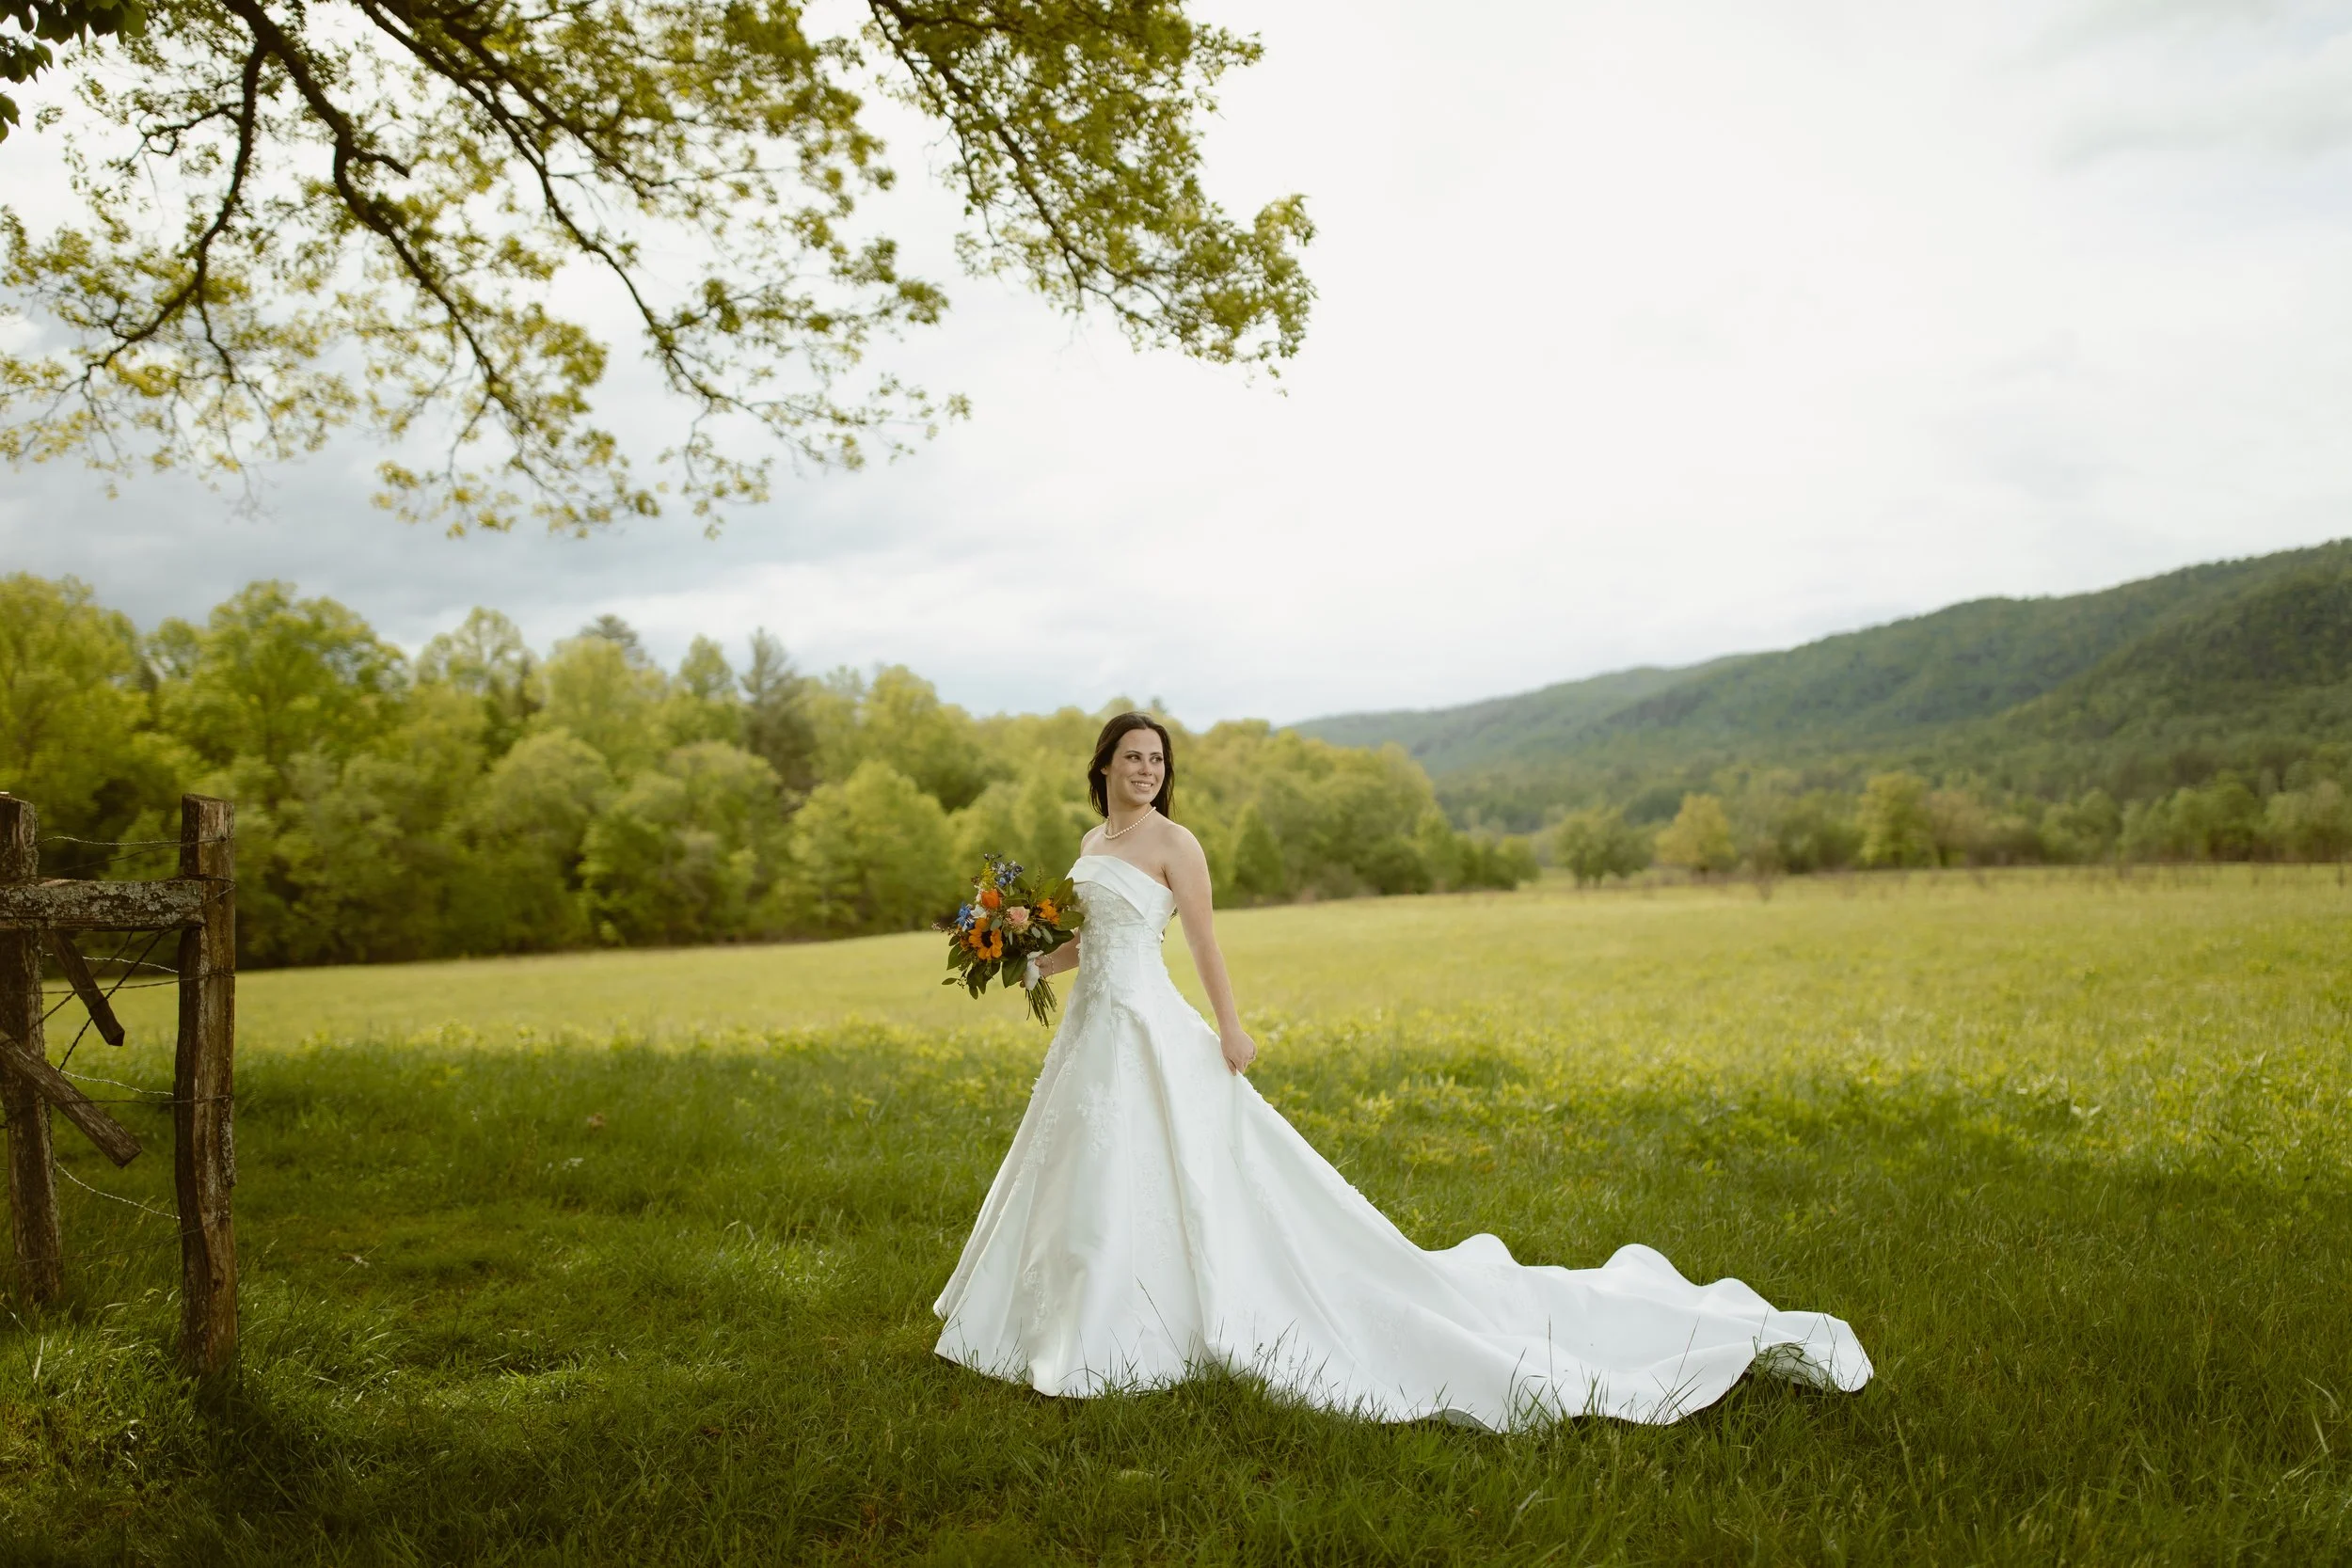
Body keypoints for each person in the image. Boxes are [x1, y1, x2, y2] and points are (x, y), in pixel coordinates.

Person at [932, 712, 1871, 1428]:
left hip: (1149, 1027)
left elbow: (1205, 943)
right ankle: (1051, 1324)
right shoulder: (1092, 847)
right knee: (1077, 1167)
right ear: (1102, 768)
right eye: (1133, 756)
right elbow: (1084, 944)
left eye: (1158, 759)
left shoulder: (1178, 847)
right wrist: (1015, 951)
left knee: (1174, 1171)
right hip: (1091, 1031)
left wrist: (1230, 1026)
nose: (1147, 769)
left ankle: (1130, 1329)